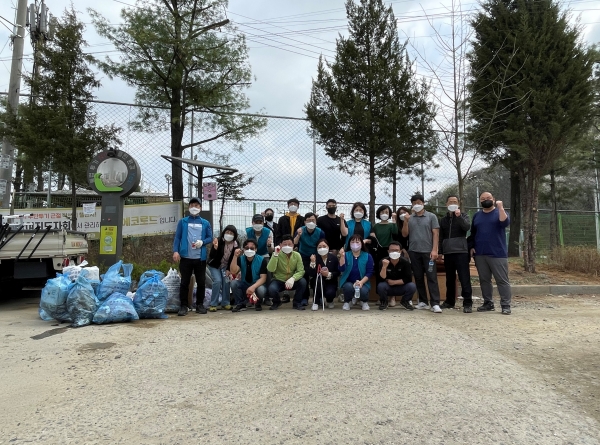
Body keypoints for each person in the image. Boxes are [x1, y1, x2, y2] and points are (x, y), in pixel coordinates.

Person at [467, 192, 512, 315]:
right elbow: (473, 233)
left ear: (494, 199)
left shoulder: (500, 213)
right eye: (483, 199)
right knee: (484, 280)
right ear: (480, 201)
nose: (485, 200)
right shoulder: (477, 216)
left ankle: (505, 305)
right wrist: (471, 247)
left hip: (497, 253)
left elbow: (505, 222)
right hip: (480, 253)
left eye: (488, 198)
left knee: (502, 280)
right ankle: (488, 302)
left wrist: (500, 207)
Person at [402, 194, 442, 313]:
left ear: (423, 203)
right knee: (418, 277)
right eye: (414, 203)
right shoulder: (410, 218)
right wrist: (406, 221)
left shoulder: (431, 216)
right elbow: (405, 234)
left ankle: (435, 303)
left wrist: (435, 250)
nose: (416, 205)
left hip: (428, 252)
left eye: (419, 202)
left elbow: (436, 234)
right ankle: (423, 301)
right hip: (414, 252)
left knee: (431, 277)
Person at [172, 197, 213, 316]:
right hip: (185, 257)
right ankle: (183, 306)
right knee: (184, 282)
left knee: (201, 282)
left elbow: (210, 237)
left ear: (200, 208)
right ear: (189, 207)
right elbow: (177, 237)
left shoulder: (205, 223)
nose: (194, 207)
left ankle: (200, 304)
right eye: (192, 205)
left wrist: (203, 242)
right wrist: (176, 251)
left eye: (197, 205)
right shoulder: (183, 222)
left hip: (200, 258)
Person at [439, 195, 473, 313]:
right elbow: (441, 236)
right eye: (450, 202)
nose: (452, 203)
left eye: (455, 201)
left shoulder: (464, 216)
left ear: (458, 203)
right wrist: (440, 252)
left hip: (461, 252)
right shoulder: (443, 220)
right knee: (450, 279)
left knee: (464, 278)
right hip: (448, 252)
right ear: (446, 204)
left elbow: (466, 227)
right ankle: (449, 301)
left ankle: (467, 303)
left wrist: (458, 217)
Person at [267, 234, 308, 310]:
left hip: (292, 281)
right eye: (284, 244)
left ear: (293, 245)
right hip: (279, 280)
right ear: (280, 245)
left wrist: (293, 278)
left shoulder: (297, 255)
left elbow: (301, 271)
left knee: (303, 282)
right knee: (272, 288)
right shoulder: (276, 254)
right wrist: (275, 255)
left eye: (289, 244)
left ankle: (297, 302)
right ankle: (276, 302)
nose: (287, 246)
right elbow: (270, 269)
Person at [294, 212, 325, 306]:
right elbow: (294, 243)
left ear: (316, 222)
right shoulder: (300, 230)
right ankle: (304, 298)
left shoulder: (320, 232)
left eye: (313, 220)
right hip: (303, 255)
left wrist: (317, 257)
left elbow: (322, 245)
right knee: (304, 276)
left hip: (316, 256)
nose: (311, 222)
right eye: (308, 220)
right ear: (304, 222)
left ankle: (318, 298)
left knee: (317, 276)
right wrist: (298, 235)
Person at [230, 239, 269, 312]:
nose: (249, 250)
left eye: (252, 248)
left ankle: (258, 303)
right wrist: (235, 256)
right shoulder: (241, 259)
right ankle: (240, 304)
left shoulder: (262, 260)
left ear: (256, 249)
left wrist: (253, 287)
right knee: (234, 283)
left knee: (261, 290)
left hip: (257, 285)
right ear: (243, 249)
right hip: (245, 284)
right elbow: (233, 271)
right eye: (247, 248)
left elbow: (263, 278)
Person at [338, 234, 374, 311]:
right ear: (349, 244)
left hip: (363, 281)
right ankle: (347, 301)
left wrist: (361, 282)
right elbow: (341, 269)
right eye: (352, 242)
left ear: (362, 243)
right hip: (349, 281)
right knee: (348, 287)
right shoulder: (346, 255)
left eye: (357, 242)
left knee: (363, 291)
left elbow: (369, 272)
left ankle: (363, 301)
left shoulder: (368, 256)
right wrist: (342, 257)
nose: (355, 244)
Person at [376, 241, 417, 311]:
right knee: (381, 286)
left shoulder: (405, 262)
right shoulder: (383, 261)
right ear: (388, 251)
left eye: (396, 250)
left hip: (401, 286)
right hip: (387, 287)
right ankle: (384, 302)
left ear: (400, 251)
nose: (394, 252)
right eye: (392, 250)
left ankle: (405, 301)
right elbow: (381, 278)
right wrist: (384, 267)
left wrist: (394, 282)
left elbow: (408, 279)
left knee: (412, 286)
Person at [207, 225, 238, 312]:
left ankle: (225, 303)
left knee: (226, 281)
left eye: (231, 233)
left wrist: (228, 269)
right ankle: (213, 304)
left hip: (226, 266)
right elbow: (212, 256)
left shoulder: (235, 244)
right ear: (223, 233)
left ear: (234, 235)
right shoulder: (218, 241)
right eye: (227, 232)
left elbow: (233, 258)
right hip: (215, 265)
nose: (229, 234)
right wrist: (215, 248)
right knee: (217, 281)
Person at [307, 239, 340, 310]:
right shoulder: (315, 258)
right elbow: (311, 274)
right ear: (316, 248)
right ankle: (315, 302)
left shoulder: (334, 258)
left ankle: (329, 301)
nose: (322, 248)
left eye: (324, 246)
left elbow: (337, 272)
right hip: (318, 281)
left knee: (330, 292)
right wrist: (312, 263)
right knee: (318, 282)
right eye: (319, 247)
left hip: (330, 281)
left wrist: (329, 274)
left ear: (328, 247)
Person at [373, 205, 398, 283]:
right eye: (382, 212)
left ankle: (392, 292)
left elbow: (395, 232)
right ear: (379, 213)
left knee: (390, 270)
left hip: (389, 251)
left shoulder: (391, 225)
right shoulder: (376, 226)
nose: (384, 214)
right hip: (379, 251)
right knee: (379, 269)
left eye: (386, 212)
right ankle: (380, 290)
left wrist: (394, 220)